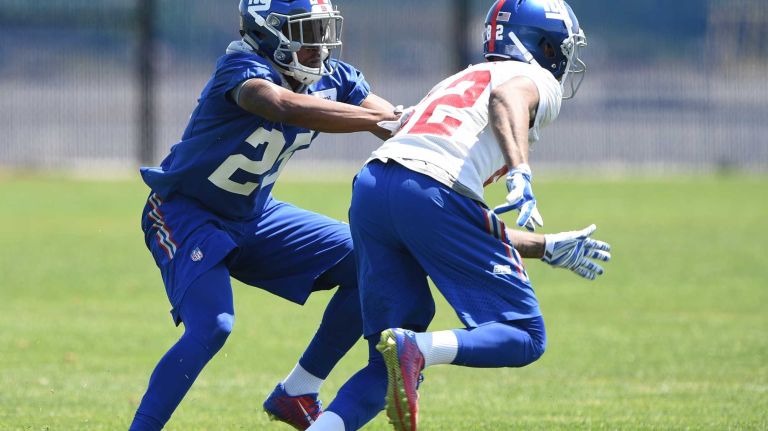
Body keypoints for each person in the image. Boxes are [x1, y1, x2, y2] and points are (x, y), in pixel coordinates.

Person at [305, 1, 611, 430]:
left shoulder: (460, 76)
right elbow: (505, 102)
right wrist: (520, 169)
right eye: (557, 47)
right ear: (541, 45)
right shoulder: (535, 79)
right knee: (525, 335)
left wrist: (544, 245)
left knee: (387, 363)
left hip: (375, 185)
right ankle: (420, 348)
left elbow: (443, 205)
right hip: (431, 193)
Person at [128, 1, 401, 430]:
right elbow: (281, 105)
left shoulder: (335, 77)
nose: (319, 44)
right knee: (213, 326)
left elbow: (397, 119)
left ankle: (298, 391)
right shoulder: (241, 68)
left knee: (366, 261)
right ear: (268, 32)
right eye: (306, 31)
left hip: (254, 215)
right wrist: (375, 120)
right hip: (187, 212)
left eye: (322, 29)